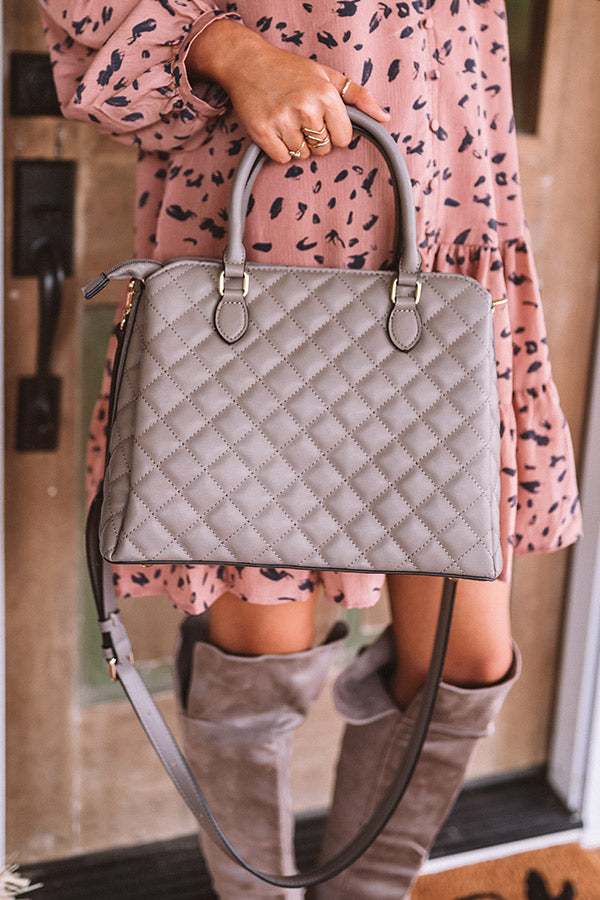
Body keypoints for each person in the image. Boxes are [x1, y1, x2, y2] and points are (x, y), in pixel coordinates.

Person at [39, 1, 582, 897]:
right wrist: (230, 51)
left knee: (466, 660)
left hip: (446, 210)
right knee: (260, 660)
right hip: (266, 234)